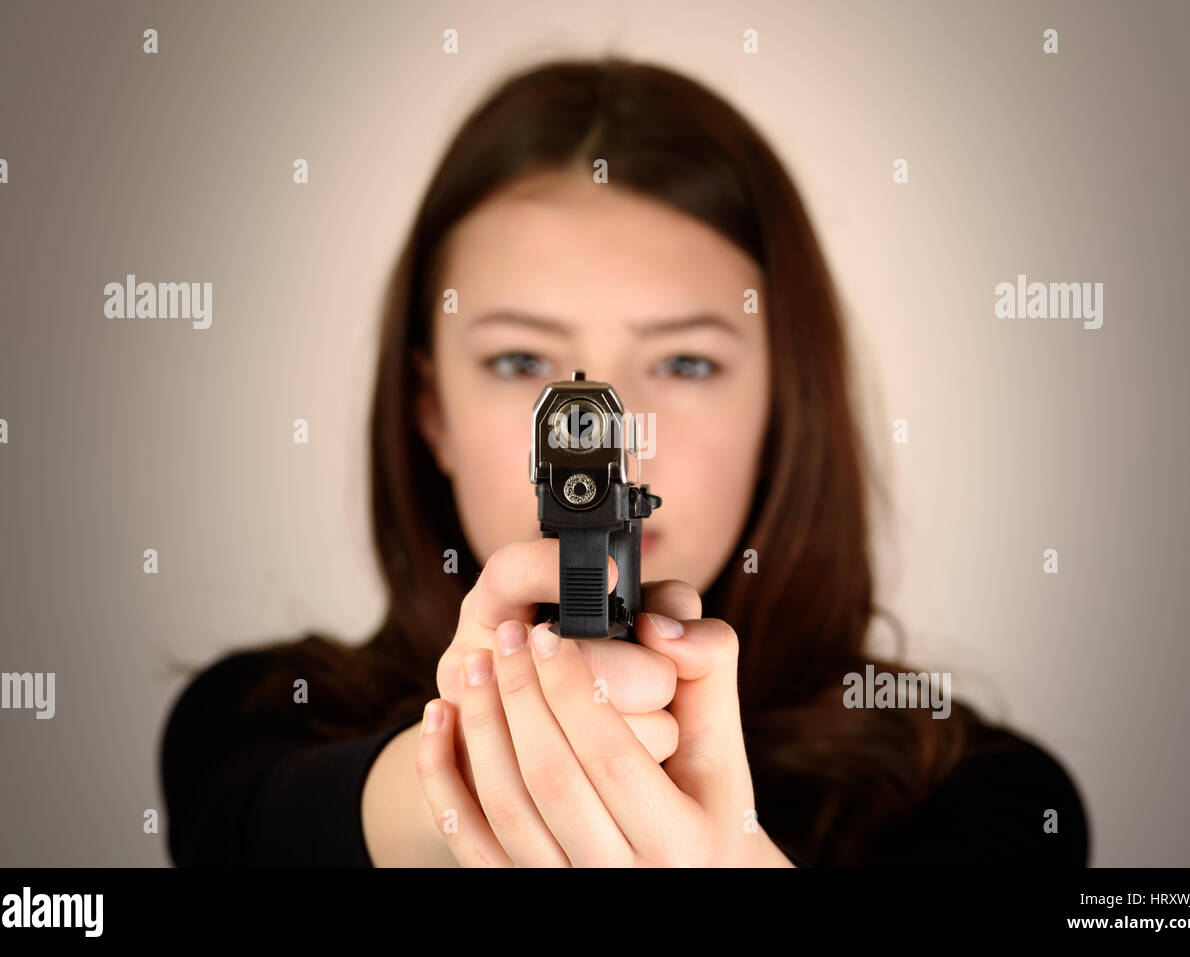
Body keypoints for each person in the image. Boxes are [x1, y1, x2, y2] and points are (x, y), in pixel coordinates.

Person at [158, 55, 1090, 867]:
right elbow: (269, 839)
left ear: (782, 407)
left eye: (686, 362)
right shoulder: (260, 716)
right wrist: (461, 784)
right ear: (430, 410)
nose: (600, 437)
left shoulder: (983, 798)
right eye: (521, 361)